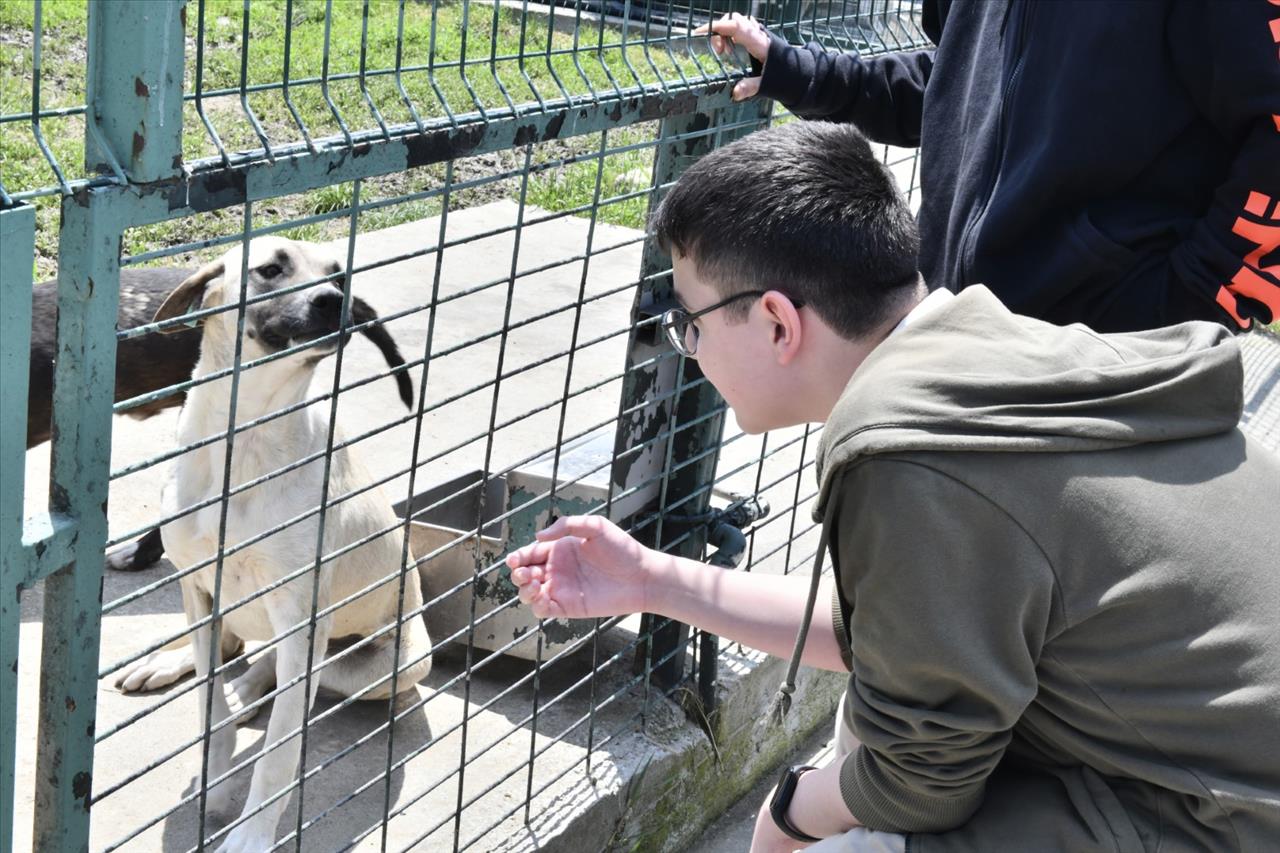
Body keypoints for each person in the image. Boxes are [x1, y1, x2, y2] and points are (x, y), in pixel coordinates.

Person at [504, 122, 1280, 852]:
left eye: (692, 321)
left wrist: (787, 812)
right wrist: (650, 579)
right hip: (1225, 771)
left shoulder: (901, 448)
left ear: (777, 322)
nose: (691, 346)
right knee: (861, 737)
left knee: (852, 830)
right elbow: (895, 634)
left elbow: (920, 781)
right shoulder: (978, 343)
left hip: (1222, 821)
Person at [693, 2, 1280, 333]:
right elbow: (960, 83)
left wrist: (1197, 299)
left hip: (1114, 361)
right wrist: (804, 73)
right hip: (955, 332)